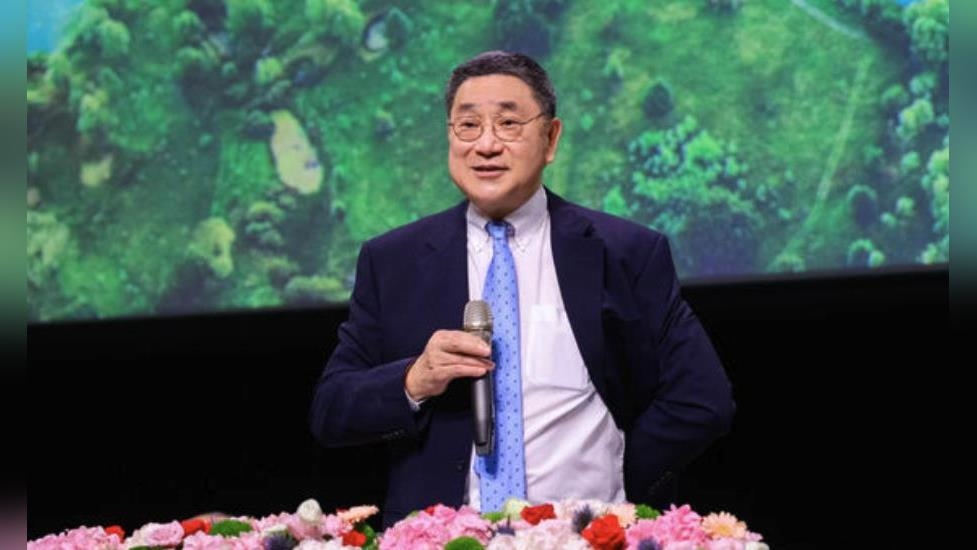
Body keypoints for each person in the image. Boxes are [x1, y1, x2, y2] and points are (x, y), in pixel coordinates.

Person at [310, 51, 734, 528]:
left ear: (550, 138)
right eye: (468, 126)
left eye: (508, 124)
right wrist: (414, 379)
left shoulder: (625, 252)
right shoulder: (393, 261)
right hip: (443, 537)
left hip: (586, 536)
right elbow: (331, 410)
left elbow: (702, 399)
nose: (486, 145)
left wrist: (621, 477)